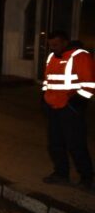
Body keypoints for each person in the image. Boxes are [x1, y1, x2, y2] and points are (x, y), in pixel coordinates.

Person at [41, 30, 94, 190]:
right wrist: (45, 99)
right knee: (55, 143)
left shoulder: (80, 56)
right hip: (54, 108)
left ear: (65, 42)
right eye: (50, 45)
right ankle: (61, 174)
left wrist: (75, 104)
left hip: (70, 109)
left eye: (56, 44)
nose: (52, 48)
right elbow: (48, 80)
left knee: (76, 144)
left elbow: (90, 84)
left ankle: (87, 178)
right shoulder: (52, 57)